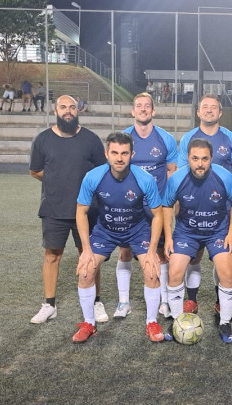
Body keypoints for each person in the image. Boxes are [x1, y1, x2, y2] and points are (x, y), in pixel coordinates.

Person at [72, 132, 166, 343]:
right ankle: (89, 323)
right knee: (86, 271)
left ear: (132, 154)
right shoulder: (93, 177)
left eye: (124, 153)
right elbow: (81, 212)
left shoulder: (145, 179)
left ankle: (152, 322)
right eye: (114, 153)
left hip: (137, 229)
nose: (119, 158)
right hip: (106, 230)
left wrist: (152, 251)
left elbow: (158, 215)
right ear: (107, 154)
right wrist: (86, 250)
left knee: (152, 271)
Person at [28, 95, 107, 325]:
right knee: (52, 256)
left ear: (77, 110)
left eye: (72, 107)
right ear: (55, 111)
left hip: (87, 209)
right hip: (54, 208)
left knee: (90, 256)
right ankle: (49, 305)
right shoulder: (43, 140)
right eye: (63, 107)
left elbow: (102, 171)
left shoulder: (91, 139)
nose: (68, 111)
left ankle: (96, 302)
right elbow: (35, 171)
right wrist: (56, 181)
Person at [163, 138, 232, 343]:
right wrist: (169, 237)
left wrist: (231, 233)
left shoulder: (225, 177)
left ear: (211, 158)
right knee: (174, 271)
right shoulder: (177, 178)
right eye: (195, 158)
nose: (200, 164)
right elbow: (167, 205)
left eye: (204, 159)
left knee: (227, 272)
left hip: (217, 232)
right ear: (188, 158)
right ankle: (177, 320)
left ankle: (225, 322)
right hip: (186, 232)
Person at [175, 94, 232, 314]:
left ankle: (220, 300)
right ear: (198, 112)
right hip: (193, 208)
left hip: (222, 209)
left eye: (213, 107)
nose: (209, 110)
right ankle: (191, 300)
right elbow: (180, 173)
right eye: (204, 107)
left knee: (222, 257)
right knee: (193, 255)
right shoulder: (188, 138)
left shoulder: (231, 138)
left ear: (220, 112)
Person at [116, 92, 178, 320]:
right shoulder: (124, 138)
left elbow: (171, 172)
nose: (143, 109)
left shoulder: (165, 139)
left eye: (147, 106)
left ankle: (164, 301)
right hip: (130, 207)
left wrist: (169, 204)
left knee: (161, 253)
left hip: (156, 209)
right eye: (139, 106)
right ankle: (124, 302)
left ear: (153, 110)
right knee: (125, 251)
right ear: (133, 111)